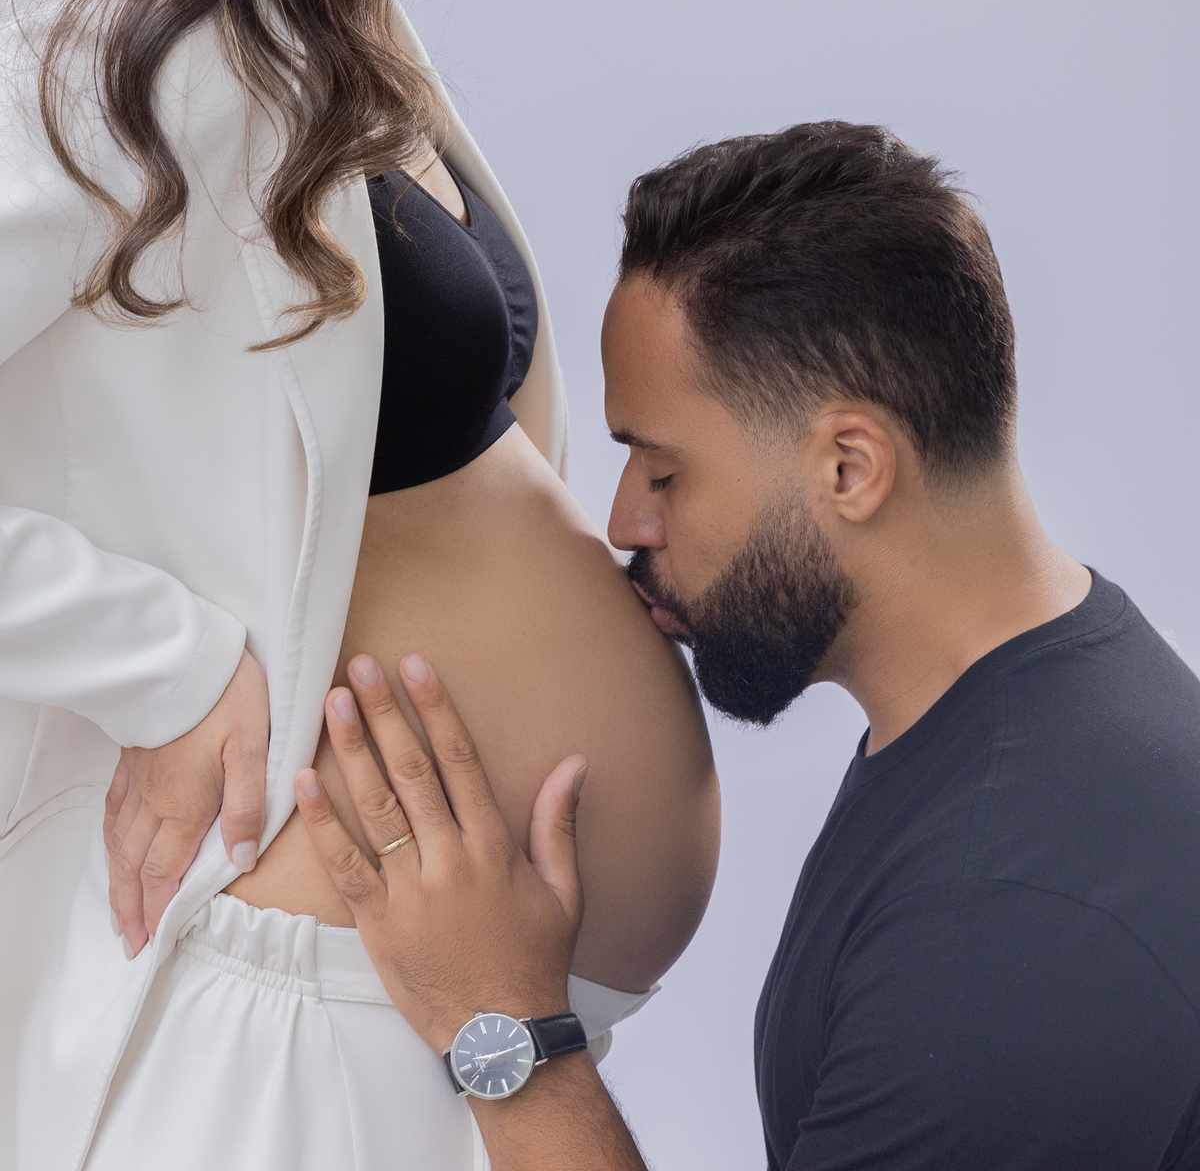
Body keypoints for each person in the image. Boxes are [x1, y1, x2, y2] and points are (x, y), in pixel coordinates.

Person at [0, 0, 722, 1171]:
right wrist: (165, 668)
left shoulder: (332, 11)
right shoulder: (134, 27)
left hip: (417, 1029)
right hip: (277, 1040)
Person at [294, 122, 1200, 1171]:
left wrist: (502, 1025)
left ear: (850, 469)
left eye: (665, 472)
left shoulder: (1016, 920)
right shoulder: (1043, 721)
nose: (626, 520)